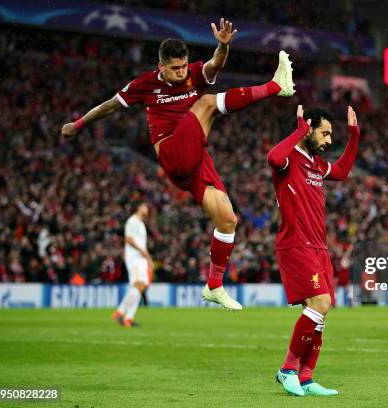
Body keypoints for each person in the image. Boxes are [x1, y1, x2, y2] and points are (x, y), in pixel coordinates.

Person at [61, 19, 295, 310]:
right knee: (207, 103)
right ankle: (276, 86)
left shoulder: (192, 74)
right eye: (175, 68)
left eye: (184, 66)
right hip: (172, 152)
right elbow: (110, 105)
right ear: (160, 66)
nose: (182, 72)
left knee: (227, 218)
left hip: (195, 158)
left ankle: (214, 285)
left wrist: (223, 45)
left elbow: (215, 65)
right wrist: (79, 123)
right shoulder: (144, 84)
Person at [268, 105, 360, 396]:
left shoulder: (317, 165)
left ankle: (307, 378)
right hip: (296, 244)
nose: (329, 140)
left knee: (321, 312)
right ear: (308, 128)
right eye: (325, 133)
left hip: (319, 246)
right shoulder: (288, 160)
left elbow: (343, 171)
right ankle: (287, 370)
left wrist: (354, 135)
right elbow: (273, 157)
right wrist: (297, 131)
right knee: (319, 304)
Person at [113, 202, 152, 327]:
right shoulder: (133, 221)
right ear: (139, 208)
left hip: (140, 258)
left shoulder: (140, 224)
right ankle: (121, 311)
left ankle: (127, 318)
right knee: (139, 285)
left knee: (139, 287)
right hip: (135, 257)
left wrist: (146, 256)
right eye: (145, 206)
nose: (147, 208)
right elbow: (128, 239)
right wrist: (143, 252)